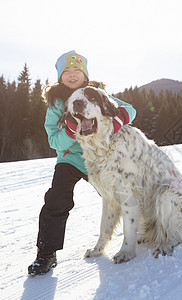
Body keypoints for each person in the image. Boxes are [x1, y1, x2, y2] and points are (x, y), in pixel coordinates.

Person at [28, 50, 136, 276]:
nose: (72, 74)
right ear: (60, 76)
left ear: (85, 74)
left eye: (76, 70)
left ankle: (144, 232)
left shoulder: (96, 93)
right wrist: (71, 129)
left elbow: (129, 110)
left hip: (99, 158)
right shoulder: (56, 103)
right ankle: (46, 255)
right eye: (66, 71)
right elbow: (54, 140)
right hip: (70, 159)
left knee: (119, 197)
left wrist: (115, 124)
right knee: (57, 200)